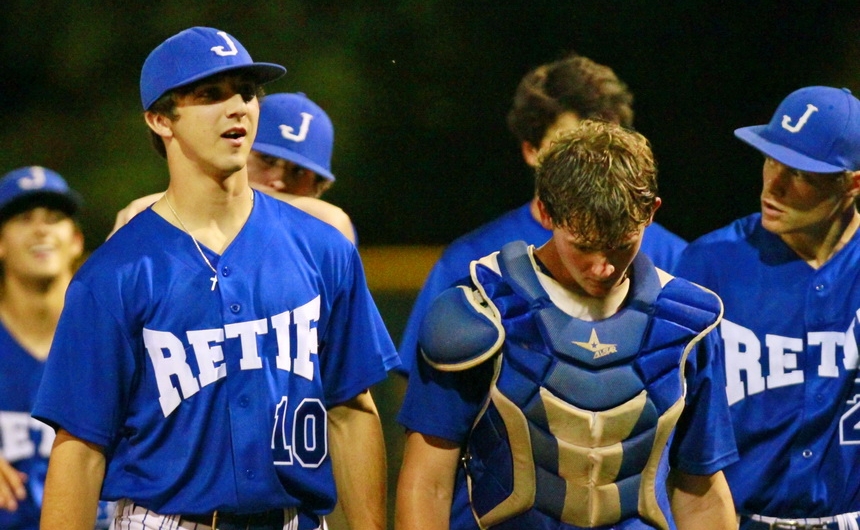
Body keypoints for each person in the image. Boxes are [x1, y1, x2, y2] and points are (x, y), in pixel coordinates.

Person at [32, 26, 398, 530]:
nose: (238, 107)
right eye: (210, 95)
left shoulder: (322, 248)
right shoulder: (115, 274)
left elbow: (352, 409)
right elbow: (80, 448)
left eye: (246, 92)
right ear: (161, 119)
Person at [396, 120, 738, 530]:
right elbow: (427, 482)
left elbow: (699, 490)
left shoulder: (686, 325)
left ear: (651, 212)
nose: (603, 266)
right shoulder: (478, 312)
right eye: (585, 246)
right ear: (546, 212)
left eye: (620, 244)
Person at [396, 53, 687, 376]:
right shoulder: (472, 261)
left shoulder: (674, 257)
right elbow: (430, 399)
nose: (584, 162)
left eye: (602, 145)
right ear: (531, 149)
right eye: (567, 144)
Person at [675, 86, 860, 528]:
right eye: (770, 159)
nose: (773, 184)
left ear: (852, 184)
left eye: (799, 173)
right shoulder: (709, 265)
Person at [0, 166, 113, 529]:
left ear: (76, 240)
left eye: (54, 218)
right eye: (24, 218)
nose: (41, 229)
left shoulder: (115, 336)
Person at [110, 91, 355, 243]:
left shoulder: (327, 236)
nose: (278, 180)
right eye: (267, 161)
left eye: (298, 172)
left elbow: (329, 218)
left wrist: (171, 206)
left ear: (318, 189)